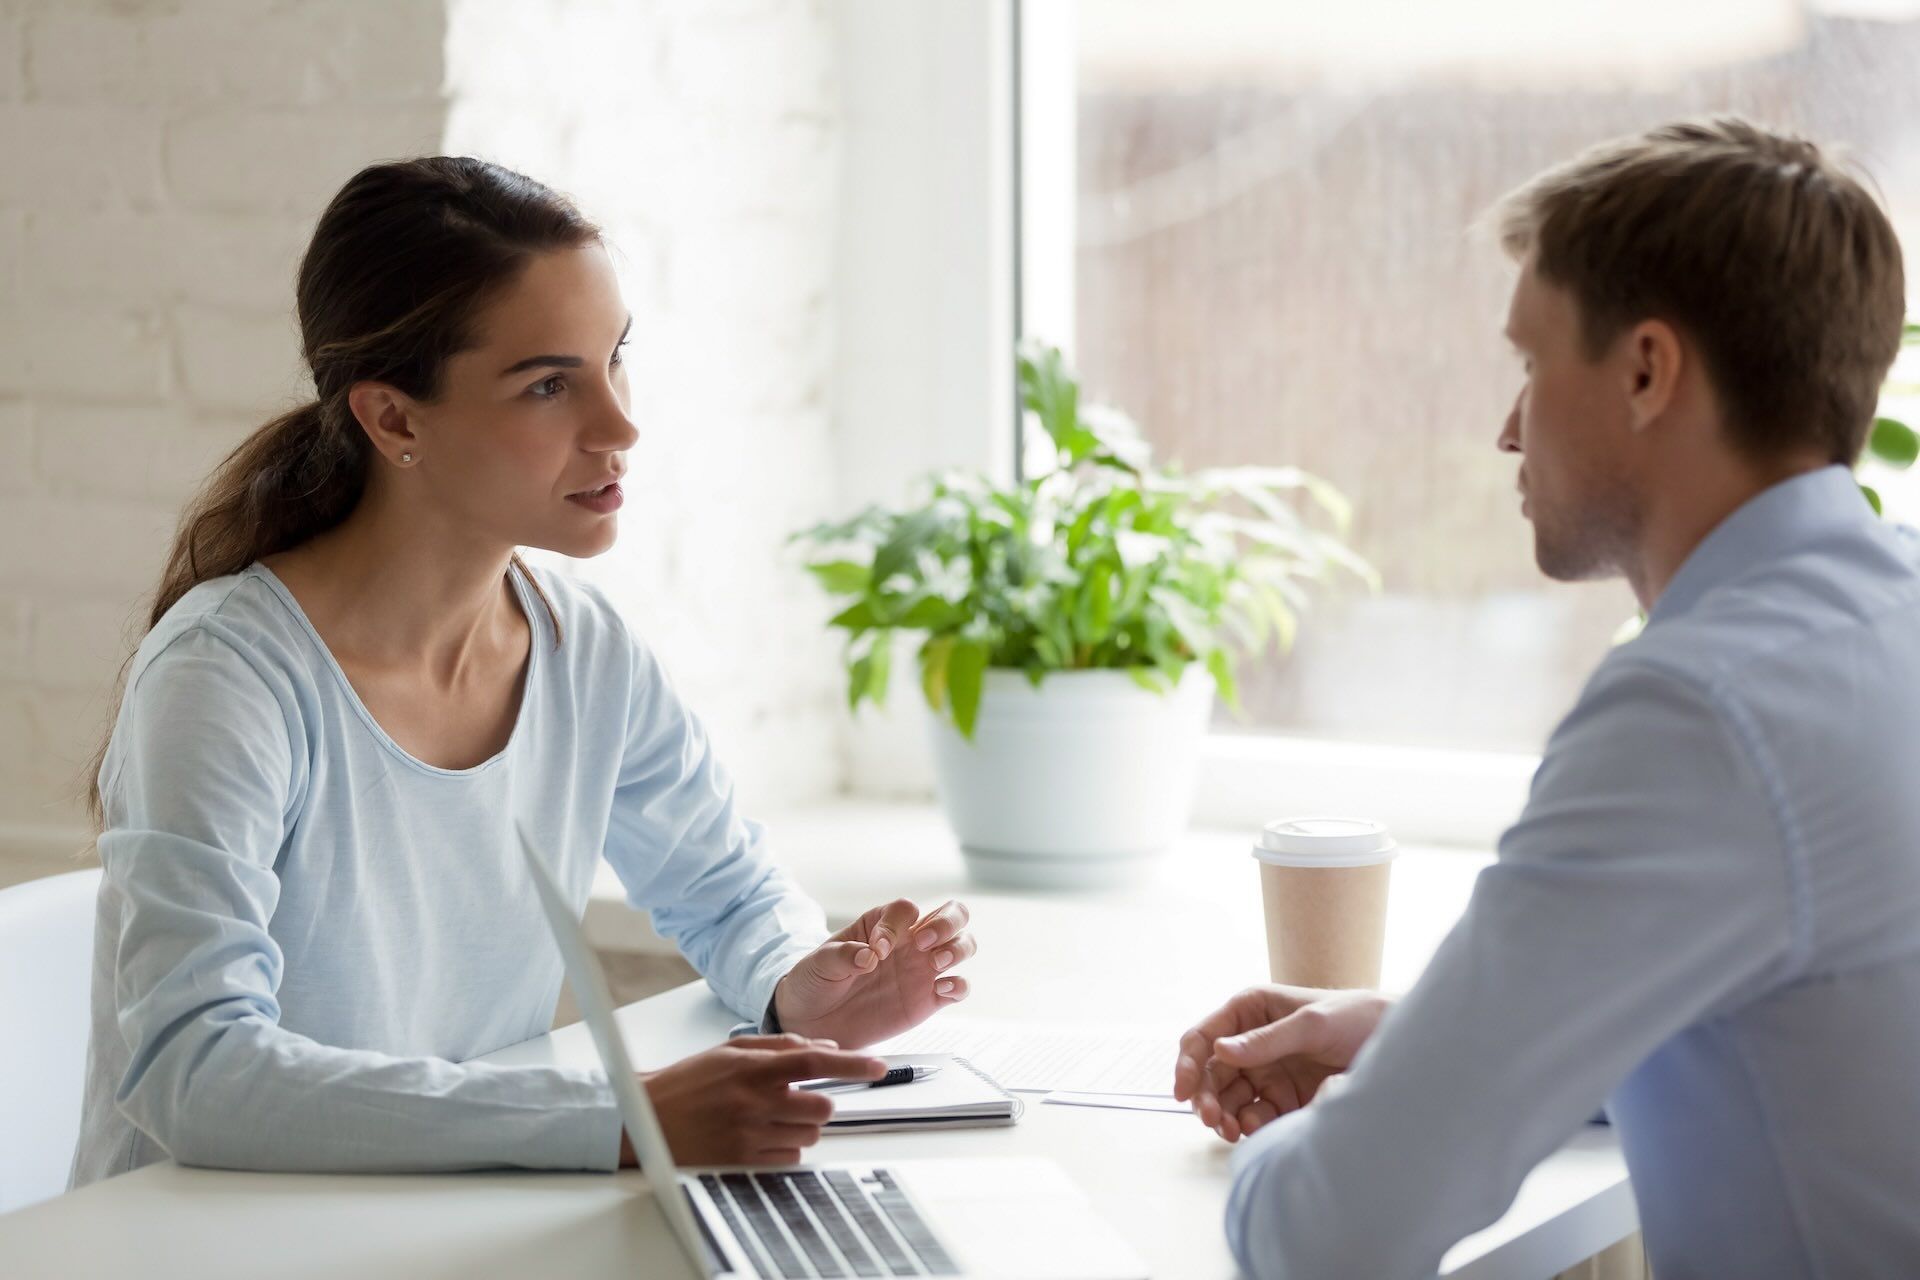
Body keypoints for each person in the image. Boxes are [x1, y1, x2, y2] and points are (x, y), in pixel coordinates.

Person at [69, 157, 975, 1187]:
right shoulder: (224, 679)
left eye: (613, 360)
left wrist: (795, 981)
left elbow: (725, 891)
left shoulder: (582, 650)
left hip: (436, 1218)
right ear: (394, 419)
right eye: (550, 384)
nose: (620, 425)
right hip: (202, 1241)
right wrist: (620, 1117)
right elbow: (198, 1070)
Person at [1173, 116, 1920, 1278]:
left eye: (1529, 361)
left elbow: (1333, 1231)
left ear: (1645, 370)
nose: (1506, 426)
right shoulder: (1889, 618)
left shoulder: (1701, 711)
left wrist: (1384, 1120)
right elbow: (1821, 1035)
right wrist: (1423, 1044)